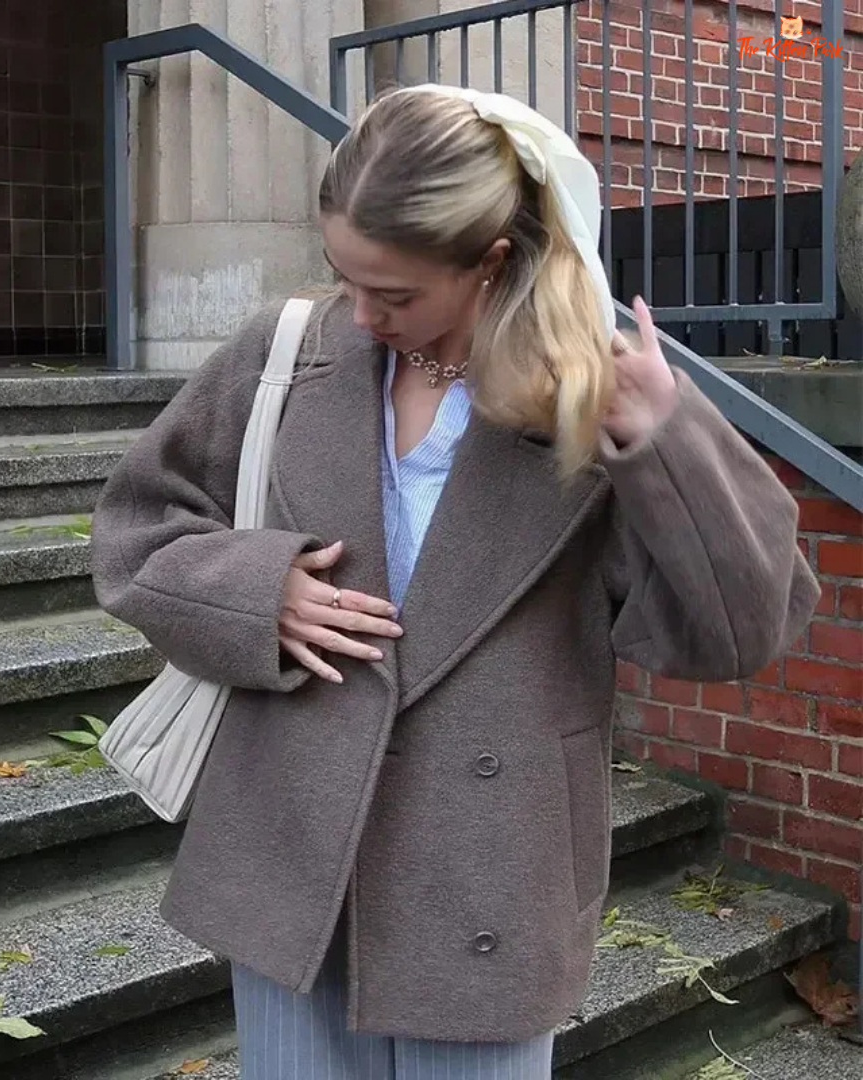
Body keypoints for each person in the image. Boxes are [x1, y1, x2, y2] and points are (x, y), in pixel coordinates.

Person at [90, 85, 819, 1079]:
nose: (362, 313)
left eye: (394, 294)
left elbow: (738, 633)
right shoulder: (288, 353)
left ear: (493, 262)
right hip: (293, 853)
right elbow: (137, 531)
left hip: (490, 873)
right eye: (345, 277)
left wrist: (666, 439)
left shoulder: (586, 401)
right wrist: (260, 594)